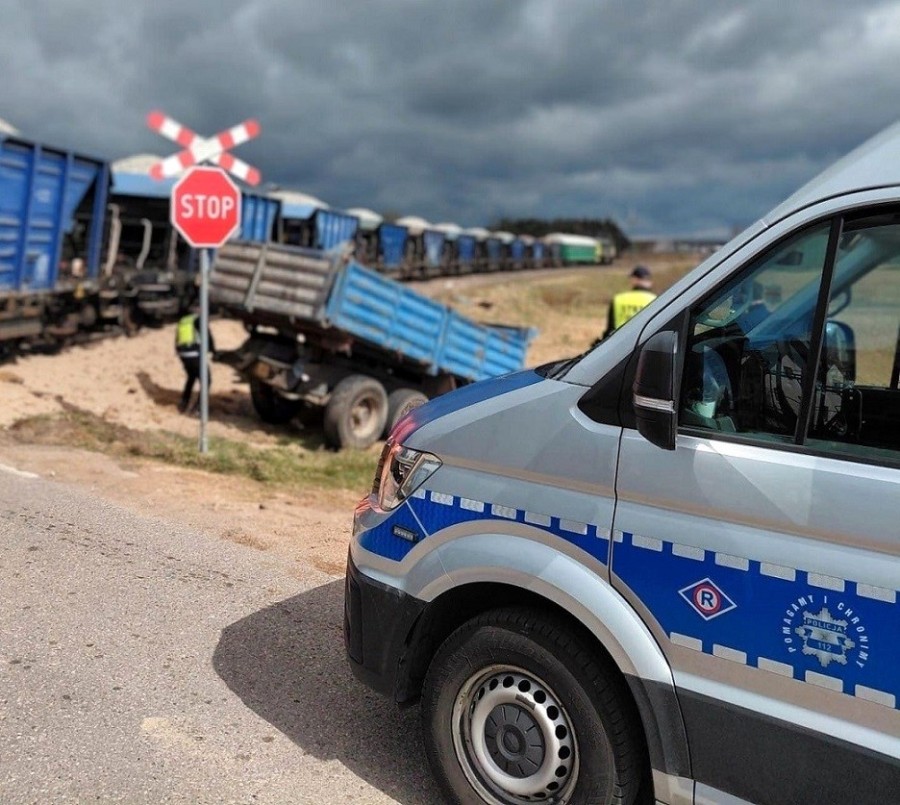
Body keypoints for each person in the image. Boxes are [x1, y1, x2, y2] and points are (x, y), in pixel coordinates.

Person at [175, 311, 214, 414]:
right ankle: (198, 408)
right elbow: (207, 336)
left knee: (191, 376)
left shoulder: (184, 319)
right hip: (194, 353)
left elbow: (177, 338)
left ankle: (183, 403)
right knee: (207, 380)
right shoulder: (199, 319)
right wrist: (213, 350)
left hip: (183, 354)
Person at [603, 265, 657, 338]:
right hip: (644, 342)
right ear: (649, 282)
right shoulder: (656, 300)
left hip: (621, 343)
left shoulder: (618, 299)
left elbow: (609, 329)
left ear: (634, 279)